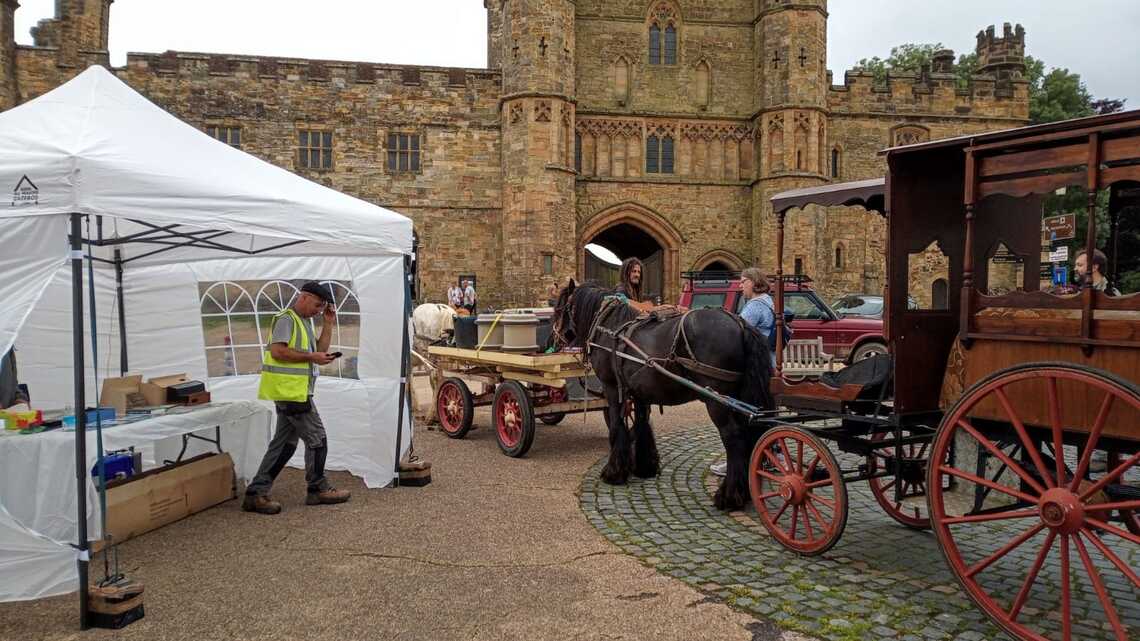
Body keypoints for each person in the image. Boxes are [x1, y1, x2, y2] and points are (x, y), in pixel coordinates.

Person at [243, 281, 351, 515]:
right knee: (317, 438)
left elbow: (318, 351)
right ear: (303, 298)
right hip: (290, 392)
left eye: (322, 307)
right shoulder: (287, 319)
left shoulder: (304, 322)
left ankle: (256, 493)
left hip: (294, 391)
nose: (318, 310)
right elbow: (277, 351)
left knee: (284, 445)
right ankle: (318, 488)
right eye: (316, 305)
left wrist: (328, 323)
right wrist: (311, 356)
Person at [711, 268, 774, 477]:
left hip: (754, 368)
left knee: (739, 416)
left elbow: (737, 330)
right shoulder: (768, 301)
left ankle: (737, 462)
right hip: (767, 363)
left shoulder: (755, 306)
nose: (740, 285)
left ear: (754, 282)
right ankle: (767, 454)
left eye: (743, 281)